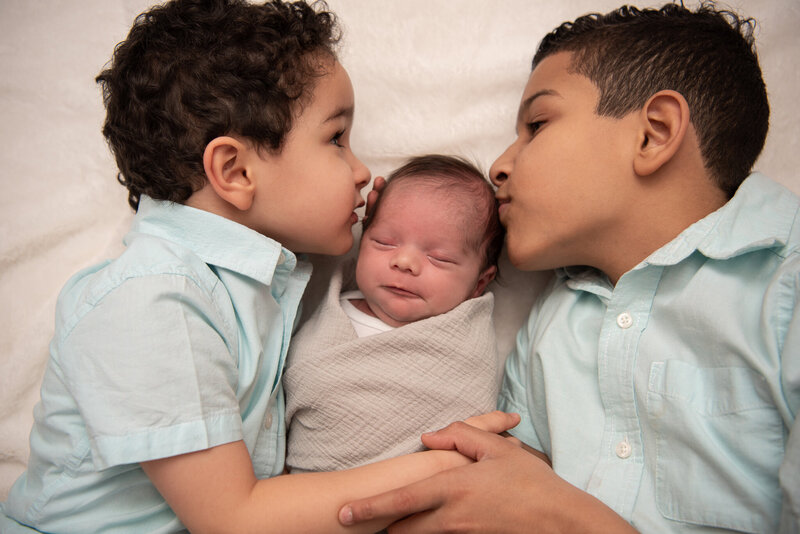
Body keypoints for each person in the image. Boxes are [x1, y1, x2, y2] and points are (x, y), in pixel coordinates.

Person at [0, 1, 519, 532]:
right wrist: (452, 466)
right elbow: (235, 518)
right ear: (235, 171)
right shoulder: (156, 300)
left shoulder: (253, 288)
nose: (363, 172)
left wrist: (396, 228)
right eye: (336, 140)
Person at [338, 2, 800, 532]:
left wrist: (566, 519)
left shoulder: (784, 286)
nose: (499, 165)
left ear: (653, 133)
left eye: (536, 125)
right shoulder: (551, 325)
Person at [284, 154, 504, 473]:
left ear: (479, 283)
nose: (404, 262)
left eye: (439, 258)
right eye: (385, 242)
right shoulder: (326, 311)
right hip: (307, 489)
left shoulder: (463, 349)